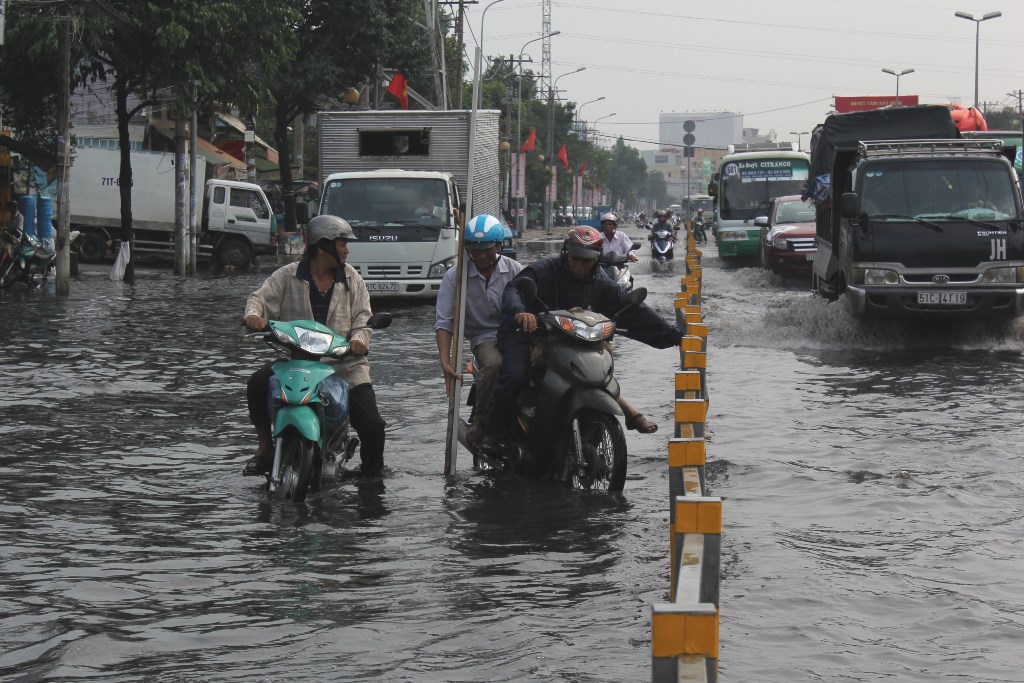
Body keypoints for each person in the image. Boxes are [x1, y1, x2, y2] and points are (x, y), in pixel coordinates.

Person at [480, 226, 683, 458]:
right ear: (566, 253)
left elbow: (634, 311)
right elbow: (515, 288)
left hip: (572, 339)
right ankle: (493, 437)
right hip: (527, 333)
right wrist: (521, 312)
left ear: (596, 260)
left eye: (587, 261)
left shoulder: (601, 283)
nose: (580, 265)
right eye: (576, 259)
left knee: (594, 372)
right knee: (516, 375)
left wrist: (674, 336)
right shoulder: (544, 270)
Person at [242, 214, 387, 478]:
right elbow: (259, 299)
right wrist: (253, 317)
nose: (347, 249)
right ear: (323, 246)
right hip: (295, 361)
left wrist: (359, 340)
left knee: (373, 425)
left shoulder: (352, 280)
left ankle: (372, 479)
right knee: (256, 384)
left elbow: (363, 319)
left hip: (344, 365)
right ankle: (264, 447)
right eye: (342, 243)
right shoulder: (287, 276)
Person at [434, 214, 524, 447]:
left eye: (487, 250)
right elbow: (444, 323)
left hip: (515, 333)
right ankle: (480, 421)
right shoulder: (455, 277)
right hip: (485, 337)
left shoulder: (514, 270)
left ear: (498, 246)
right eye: (475, 251)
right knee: (494, 364)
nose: (482, 256)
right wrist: (445, 362)